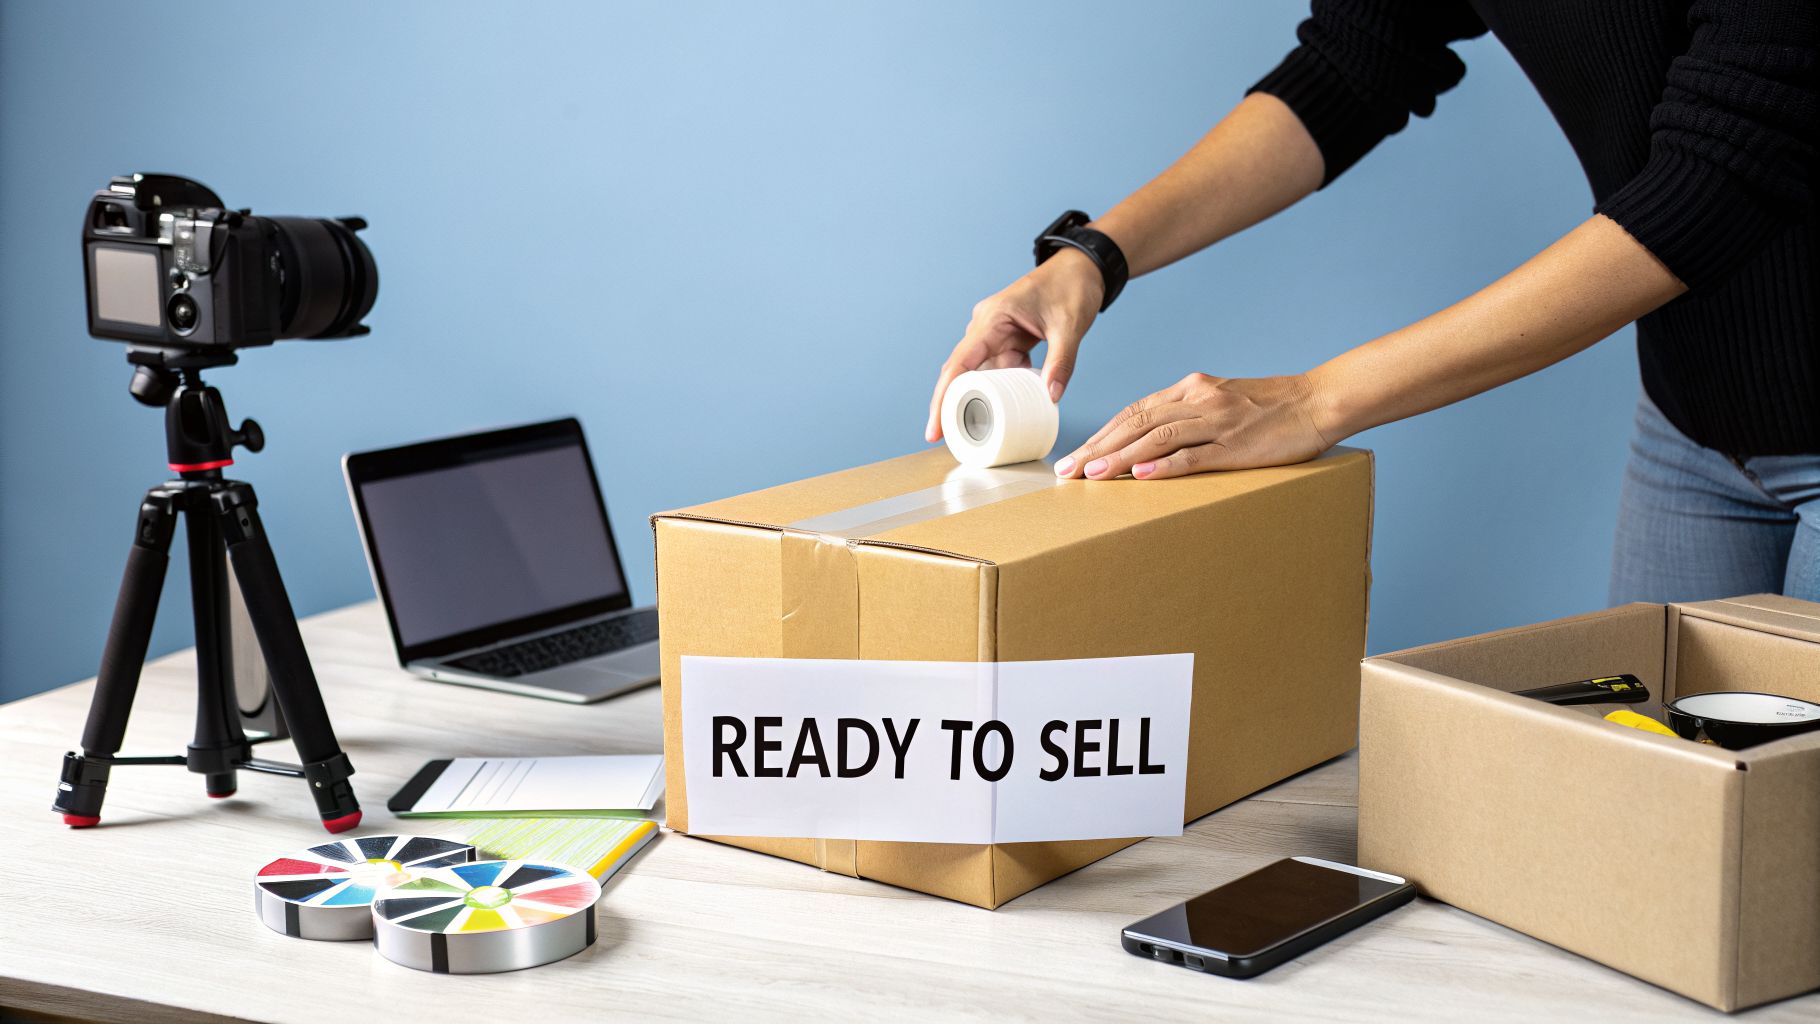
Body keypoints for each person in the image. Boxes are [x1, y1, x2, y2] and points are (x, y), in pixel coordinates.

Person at [925, 1, 1817, 605]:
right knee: (1662, 815)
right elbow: (1358, 58)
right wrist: (1095, 255)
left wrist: (1315, 399)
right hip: (1693, 416)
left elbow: (1725, 171)